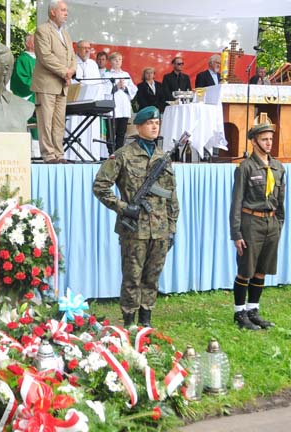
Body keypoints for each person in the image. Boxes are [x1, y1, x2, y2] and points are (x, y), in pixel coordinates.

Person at [93, 106, 179, 327]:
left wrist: (172, 228)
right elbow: (100, 186)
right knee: (132, 278)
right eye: (149, 123)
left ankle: (146, 320)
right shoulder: (123, 155)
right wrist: (122, 207)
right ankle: (130, 322)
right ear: (139, 126)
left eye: (157, 123)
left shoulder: (163, 158)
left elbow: (171, 196)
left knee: (152, 278)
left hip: (160, 228)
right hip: (134, 229)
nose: (154, 127)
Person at [229, 117, 285, 330]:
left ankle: (253, 310)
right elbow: (236, 202)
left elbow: (281, 201)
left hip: (270, 223)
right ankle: (239, 313)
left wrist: (279, 224)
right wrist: (237, 233)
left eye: (271, 138)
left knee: (262, 269)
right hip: (251, 222)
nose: (269, 143)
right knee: (246, 270)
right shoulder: (246, 167)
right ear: (254, 142)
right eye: (264, 139)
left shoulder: (278, 168)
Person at [31, 0, 76, 164]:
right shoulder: (42, 30)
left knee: (59, 122)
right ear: (52, 12)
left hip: (62, 84)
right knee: (46, 121)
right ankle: (48, 155)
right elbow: (45, 56)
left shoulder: (65, 33)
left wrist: (72, 69)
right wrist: (65, 72)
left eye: (66, 10)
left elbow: (72, 55)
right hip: (46, 84)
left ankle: (59, 154)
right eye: (63, 10)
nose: (66, 13)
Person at [65, 40, 104, 161]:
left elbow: (98, 83)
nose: (87, 50)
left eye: (89, 48)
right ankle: (72, 155)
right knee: (74, 126)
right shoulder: (71, 62)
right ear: (77, 49)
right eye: (84, 48)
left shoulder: (93, 64)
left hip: (90, 101)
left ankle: (90, 155)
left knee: (90, 128)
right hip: (76, 101)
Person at [106, 52, 137, 152]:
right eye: (115, 60)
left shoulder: (125, 74)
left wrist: (125, 88)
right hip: (113, 108)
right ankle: (111, 152)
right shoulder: (107, 75)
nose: (118, 62)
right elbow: (104, 90)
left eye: (120, 60)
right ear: (110, 62)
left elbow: (133, 89)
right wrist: (116, 87)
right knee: (111, 132)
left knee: (121, 132)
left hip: (124, 108)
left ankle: (119, 152)